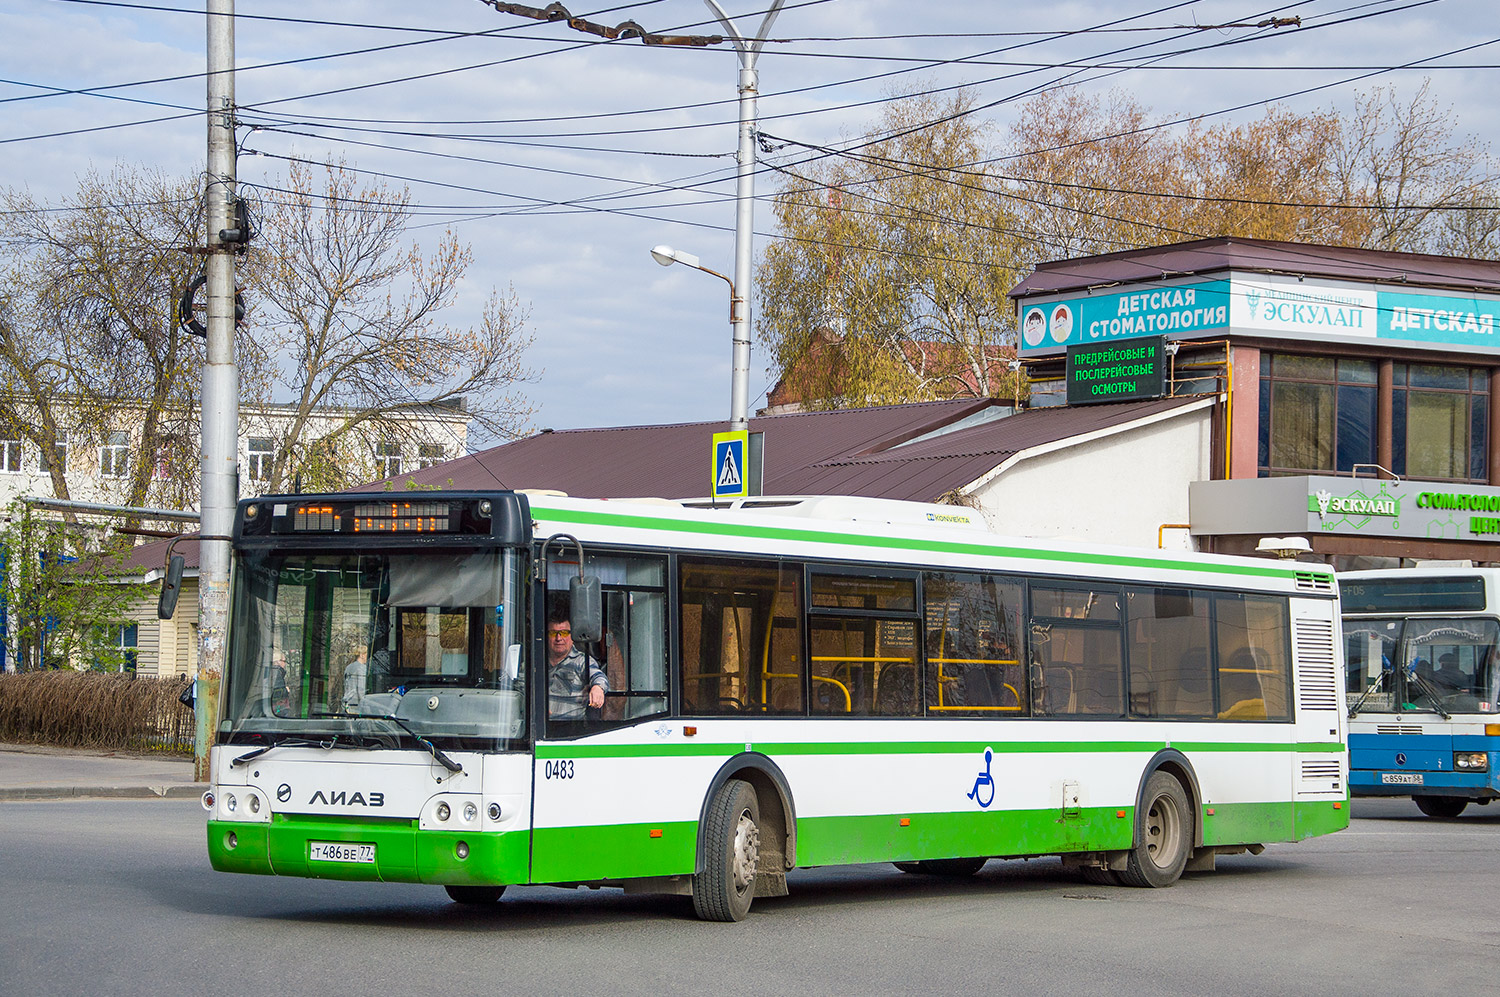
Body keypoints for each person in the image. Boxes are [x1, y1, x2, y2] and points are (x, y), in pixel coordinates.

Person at [546, 606, 607, 720]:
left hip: (571, 730)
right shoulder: (536, 662)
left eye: (564, 633)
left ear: (572, 636)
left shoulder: (582, 661)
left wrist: (598, 688)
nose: (558, 638)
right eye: (553, 633)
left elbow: (599, 677)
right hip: (539, 728)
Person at [342, 645, 369, 713]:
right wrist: (366, 705)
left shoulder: (349, 667)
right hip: (356, 703)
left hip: (347, 701)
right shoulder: (362, 669)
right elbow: (361, 689)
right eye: (366, 655)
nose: (367, 658)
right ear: (362, 655)